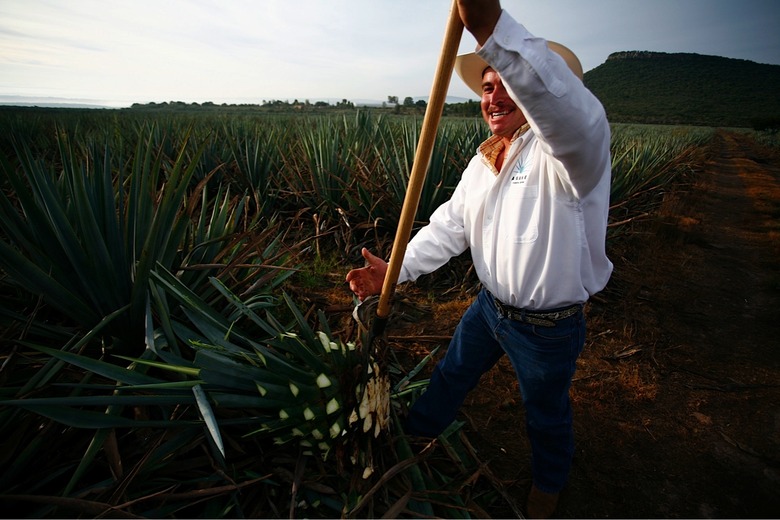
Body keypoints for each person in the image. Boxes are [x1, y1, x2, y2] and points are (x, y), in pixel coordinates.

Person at [346, 0, 612, 516]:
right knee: (450, 374)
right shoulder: (485, 160)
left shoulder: (572, 152)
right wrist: (394, 272)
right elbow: (450, 225)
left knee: (545, 413)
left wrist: (490, 28)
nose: (494, 97)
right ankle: (416, 433)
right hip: (489, 310)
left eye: (507, 83)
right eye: (487, 87)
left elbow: (560, 106)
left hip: (546, 328)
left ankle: (549, 487)